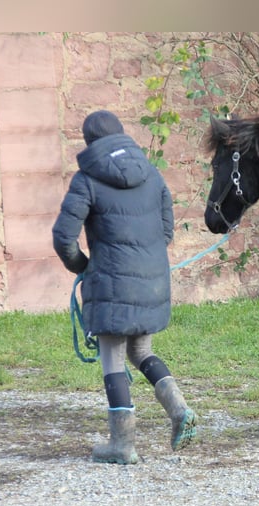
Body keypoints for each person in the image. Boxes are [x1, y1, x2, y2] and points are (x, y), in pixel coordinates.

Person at [52, 110, 196, 464]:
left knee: (113, 358)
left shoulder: (86, 179)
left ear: (89, 143)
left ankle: (123, 444)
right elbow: (166, 228)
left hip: (112, 284)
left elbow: (62, 237)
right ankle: (180, 410)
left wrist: (84, 268)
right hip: (152, 282)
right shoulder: (151, 173)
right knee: (141, 351)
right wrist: (145, 260)